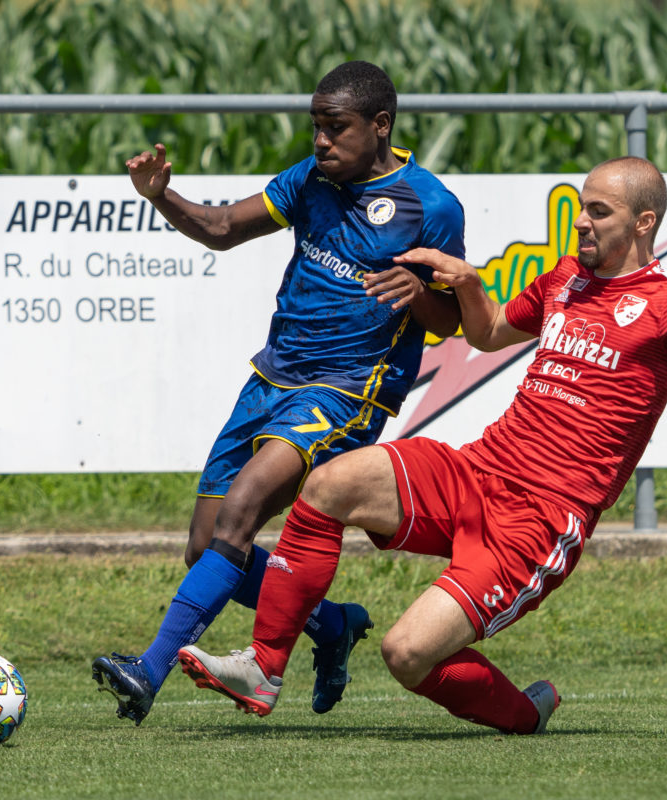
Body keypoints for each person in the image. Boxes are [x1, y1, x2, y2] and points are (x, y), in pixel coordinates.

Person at [176, 156, 667, 734]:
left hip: (540, 519)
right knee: (330, 482)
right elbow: (485, 334)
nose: (582, 222)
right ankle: (264, 666)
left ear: (644, 222)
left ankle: (523, 714)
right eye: (582, 205)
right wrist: (466, 281)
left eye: (600, 211)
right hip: (479, 470)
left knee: (406, 653)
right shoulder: (567, 277)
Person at [91, 61, 467, 725]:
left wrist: (421, 298)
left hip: (348, 390)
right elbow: (222, 228)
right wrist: (159, 196)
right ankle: (329, 624)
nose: (321, 141)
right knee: (208, 544)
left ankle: (147, 672)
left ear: (380, 126)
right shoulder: (311, 179)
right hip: (272, 376)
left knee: (241, 511)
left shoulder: (429, 207)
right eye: (316, 126)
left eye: (336, 127)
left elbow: (453, 318)